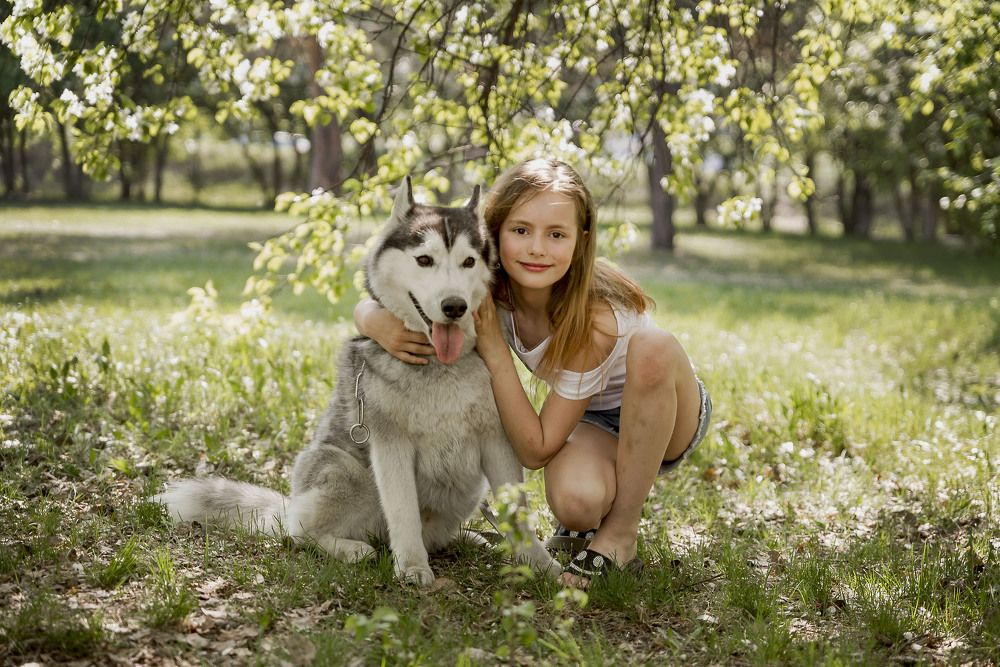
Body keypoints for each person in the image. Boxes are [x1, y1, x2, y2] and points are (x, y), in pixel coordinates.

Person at [353, 158, 712, 587]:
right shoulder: (490, 285)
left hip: (668, 407)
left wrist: (495, 352)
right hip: (593, 419)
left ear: (581, 240)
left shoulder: (594, 319)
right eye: (521, 231)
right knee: (575, 503)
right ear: (496, 231)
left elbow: (536, 450)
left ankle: (620, 534)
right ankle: (589, 521)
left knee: (652, 350)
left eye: (556, 234)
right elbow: (410, 288)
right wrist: (370, 318)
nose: (537, 248)